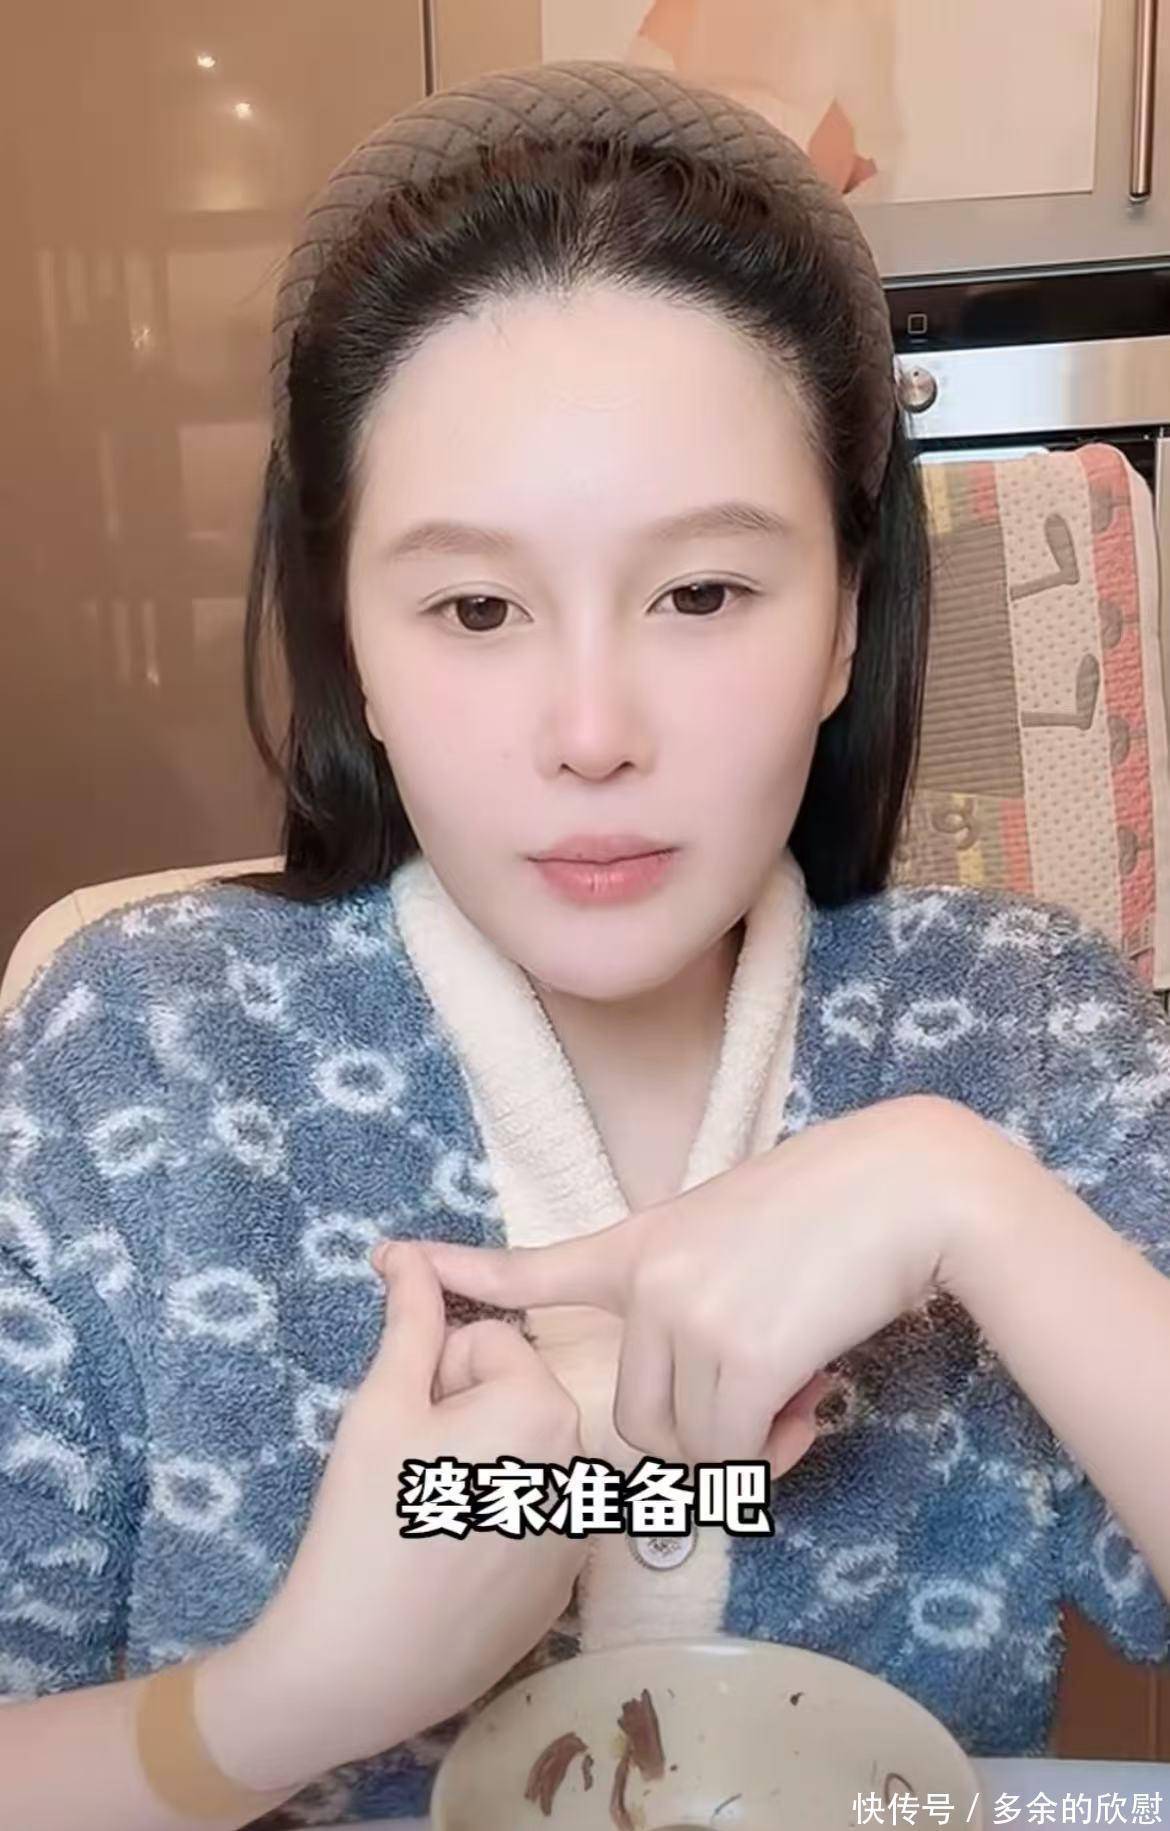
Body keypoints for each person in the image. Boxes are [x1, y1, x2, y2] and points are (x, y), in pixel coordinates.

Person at [1, 58, 1168, 1831]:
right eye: (475, 607)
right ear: (351, 648)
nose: (592, 733)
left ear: (844, 623)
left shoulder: (1014, 1029)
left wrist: (970, 1201)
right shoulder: (141, 1051)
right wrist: (279, 1701)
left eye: (702, 593)